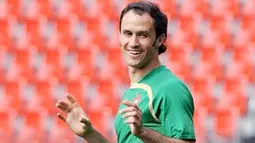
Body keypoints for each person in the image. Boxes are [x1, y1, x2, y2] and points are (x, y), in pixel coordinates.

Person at [56, 1, 196, 143]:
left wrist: (143, 132)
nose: (133, 42)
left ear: (160, 40)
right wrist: (89, 134)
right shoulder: (136, 89)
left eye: (142, 35)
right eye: (127, 33)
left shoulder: (169, 88)